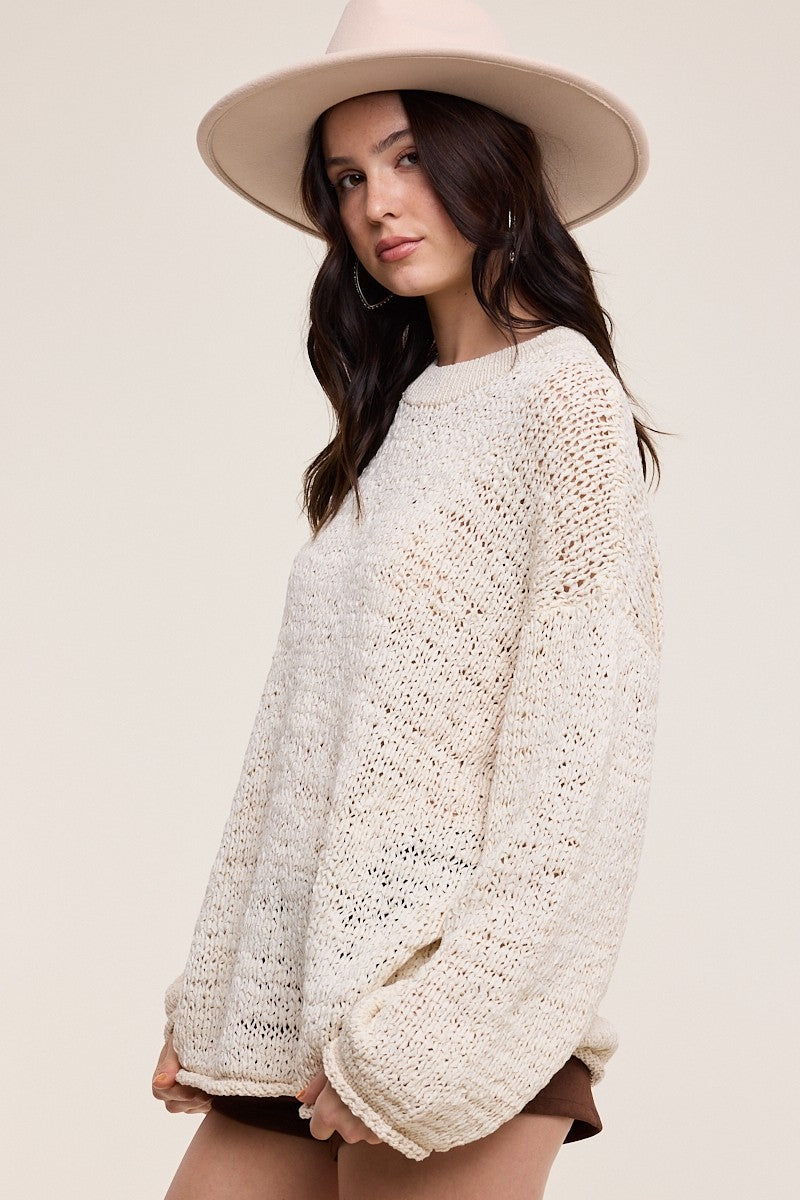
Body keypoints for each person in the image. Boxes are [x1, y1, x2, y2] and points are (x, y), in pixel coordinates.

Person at [151, 2, 665, 1197]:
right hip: (303, 1008)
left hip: (447, 1013)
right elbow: (299, 746)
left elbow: (579, 764)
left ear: (491, 165)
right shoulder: (391, 424)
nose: (378, 203)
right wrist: (219, 994)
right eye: (347, 177)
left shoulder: (561, 398)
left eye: (410, 158)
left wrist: (438, 1035)